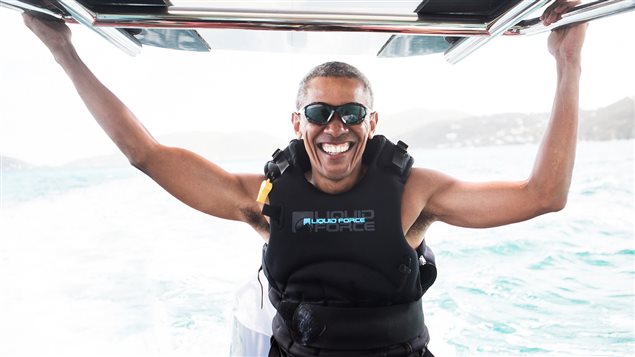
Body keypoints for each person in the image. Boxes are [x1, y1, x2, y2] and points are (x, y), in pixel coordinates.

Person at [22, 0, 587, 355]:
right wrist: (60, 50)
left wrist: (568, 63)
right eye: (319, 113)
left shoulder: (416, 192)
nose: (334, 128)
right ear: (298, 123)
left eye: (351, 114)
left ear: (372, 122)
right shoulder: (262, 197)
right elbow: (144, 153)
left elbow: (544, 196)